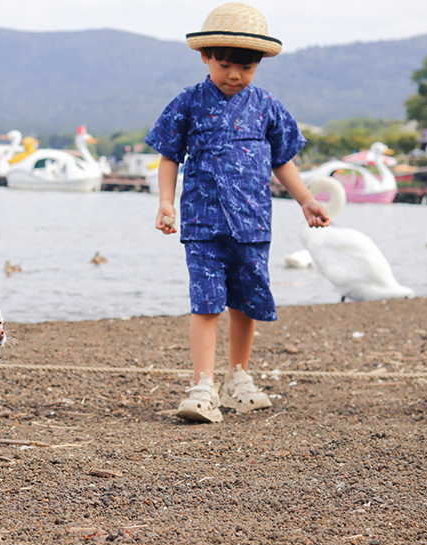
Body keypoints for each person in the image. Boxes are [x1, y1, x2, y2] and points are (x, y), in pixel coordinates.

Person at [145, 3, 331, 423]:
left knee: (245, 302)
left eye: (246, 68)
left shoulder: (267, 106)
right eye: (226, 65)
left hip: (252, 222)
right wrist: (165, 202)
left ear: (259, 63)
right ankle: (202, 384)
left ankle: (238, 376)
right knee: (206, 302)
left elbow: (283, 161)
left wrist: (305, 199)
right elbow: (169, 157)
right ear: (205, 56)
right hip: (202, 222)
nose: (234, 75)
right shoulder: (188, 103)